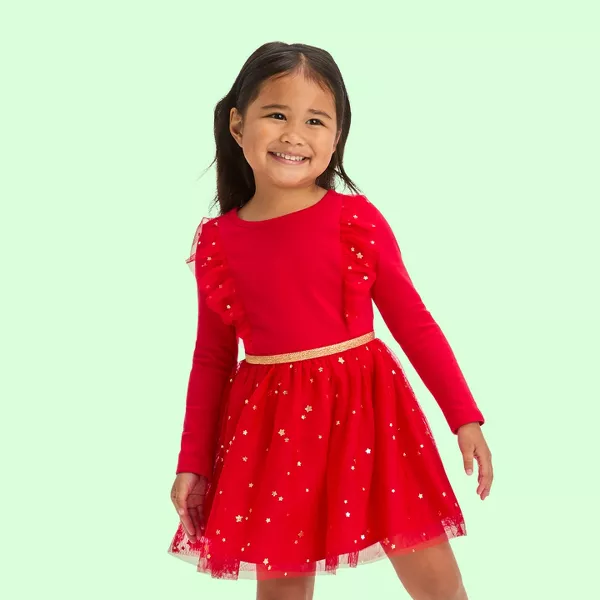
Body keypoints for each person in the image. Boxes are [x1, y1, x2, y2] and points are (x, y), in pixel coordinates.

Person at [167, 41, 493, 600]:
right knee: (282, 587)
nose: (295, 135)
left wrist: (464, 418)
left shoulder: (355, 220)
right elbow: (212, 360)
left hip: (372, 419)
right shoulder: (219, 241)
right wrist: (192, 462)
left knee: (435, 578)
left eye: (315, 120)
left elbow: (414, 323)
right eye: (277, 115)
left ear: (337, 136)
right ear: (238, 124)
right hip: (273, 433)